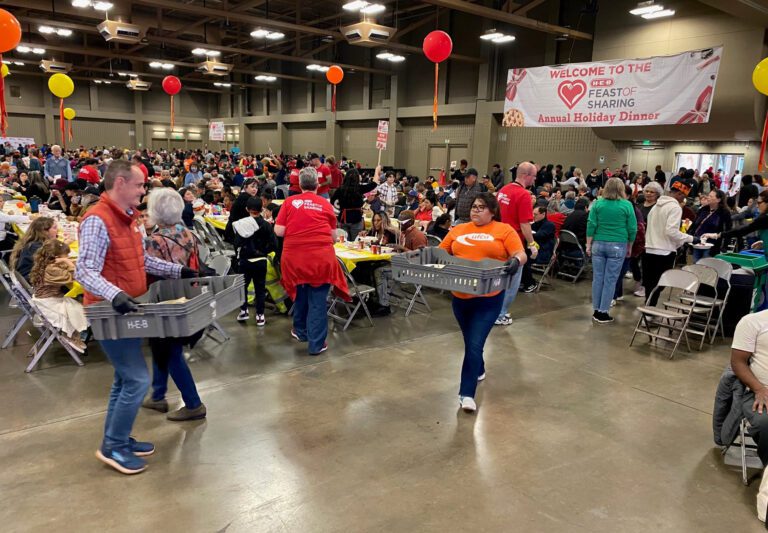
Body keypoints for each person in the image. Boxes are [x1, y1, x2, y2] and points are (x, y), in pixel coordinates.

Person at [76, 160, 197, 475]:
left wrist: (180, 271)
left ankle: (117, 439)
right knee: (137, 379)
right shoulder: (97, 220)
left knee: (124, 378)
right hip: (108, 311)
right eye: (140, 185)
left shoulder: (127, 220)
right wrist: (114, 294)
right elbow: (84, 270)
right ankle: (113, 447)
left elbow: (142, 260)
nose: (144, 192)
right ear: (119, 183)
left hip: (126, 309)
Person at [439, 192, 526, 413]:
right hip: (460, 297)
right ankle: (479, 368)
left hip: (488, 298)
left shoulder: (504, 230)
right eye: (473, 207)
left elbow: (520, 253)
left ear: (492, 211)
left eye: (481, 207)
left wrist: (515, 261)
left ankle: (466, 394)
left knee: (475, 343)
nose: (475, 210)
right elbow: (440, 251)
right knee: (471, 342)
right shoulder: (459, 230)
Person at [141, 187, 207, 422]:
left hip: (166, 299)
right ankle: (158, 395)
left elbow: (147, 270)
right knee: (163, 347)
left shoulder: (154, 241)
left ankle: (193, 403)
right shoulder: (188, 232)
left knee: (169, 350)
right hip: (190, 295)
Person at [275, 167, 349, 356]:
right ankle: (316, 344)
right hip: (320, 260)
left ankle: (301, 332)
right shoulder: (325, 204)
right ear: (317, 184)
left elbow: (279, 232)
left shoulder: (289, 202)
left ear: (299, 185)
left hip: (294, 259)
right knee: (317, 300)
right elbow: (333, 237)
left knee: (300, 294)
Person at [586, 177, 637, 323]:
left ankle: (596, 309)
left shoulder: (597, 204)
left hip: (598, 244)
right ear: (621, 189)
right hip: (618, 244)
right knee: (610, 280)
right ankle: (603, 312)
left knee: (598, 278)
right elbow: (632, 228)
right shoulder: (627, 205)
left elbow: (591, 224)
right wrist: (630, 246)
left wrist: (588, 244)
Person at [642, 181, 697, 306]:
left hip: (649, 249)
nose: (684, 200)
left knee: (650, 284)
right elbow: (671, 231)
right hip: (664, 251)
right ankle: (650, 310)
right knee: (659, 284)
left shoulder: (656, 206)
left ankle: (648, 308)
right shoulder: (675, 207)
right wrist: (691, 238)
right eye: (684, 196)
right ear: (679, 193)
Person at [495, 161, 538, 324]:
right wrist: (532, 244)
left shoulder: (503, 190)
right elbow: (525, 224)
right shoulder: (524, 195)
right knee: (512, 283)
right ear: (526, 175)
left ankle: (493, 311)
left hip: (498, 240)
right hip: (514, 245)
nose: (534, 180)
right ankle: (500, 314)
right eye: (533, 176)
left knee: (498, 281)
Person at [30, 239, 87, 353]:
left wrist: (65, 262)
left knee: (77, 304)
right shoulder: (52, 269)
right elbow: (77, 275)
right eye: (66, 255)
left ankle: (75, 333)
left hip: (44, 299)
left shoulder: (45, 263)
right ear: (57, 257)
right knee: (82, 309)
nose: (68, 257)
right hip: (49, 304)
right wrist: (70, 264)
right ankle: (70, 334)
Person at [730, 309, 768, 469]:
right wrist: (759, 389)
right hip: (760, 390)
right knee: (765, 423)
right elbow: (738, 362)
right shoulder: (752, 322)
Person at [234, 196, 277, 326]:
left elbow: (236, 243)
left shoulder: (241, 223)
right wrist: (263, 252)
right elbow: (274, 244)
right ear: (262, 208)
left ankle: (243, 310)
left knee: (243, 287)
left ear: (247, 209)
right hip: (261, 261)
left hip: (245, 260)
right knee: (260, 288)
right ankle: (260, 315)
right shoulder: (266, 225)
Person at [332, 168, 378, 239]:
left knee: (343, 241)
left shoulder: (340, 189)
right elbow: (374, 184)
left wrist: (340, 207)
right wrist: (377, 171)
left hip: (343, 218)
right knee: (356, 241)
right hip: (356, 218)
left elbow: (332, 201)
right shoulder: (360, 188)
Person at [688, 189, 731, 261]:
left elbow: (727, 230)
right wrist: (689, 236)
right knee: (695, 265)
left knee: (707, 267)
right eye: (708, 195)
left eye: (711, 196)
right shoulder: (703, 209)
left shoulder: (724, 212)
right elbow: (694, 224)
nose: (708, 197)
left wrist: (724, 247)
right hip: (697, 243)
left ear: (718, 200)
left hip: (711, 245)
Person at [518, 206, 555, 290]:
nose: (533, 216)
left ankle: (529, 283)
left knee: (524, 260)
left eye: (535, 214)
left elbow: (539, 235)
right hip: (534, 251)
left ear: (543, 214)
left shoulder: (549, 225)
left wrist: (527, 233)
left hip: (543, 253)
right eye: (532, 214)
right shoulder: (535, 224)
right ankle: (523, 281)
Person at [224, 178, 258, 243]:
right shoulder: (246, 198)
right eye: (252, 187)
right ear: (245, 187)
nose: (255, 189)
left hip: (233, 230)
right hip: (236, 234)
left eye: (256, 187)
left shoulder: (243, 196)